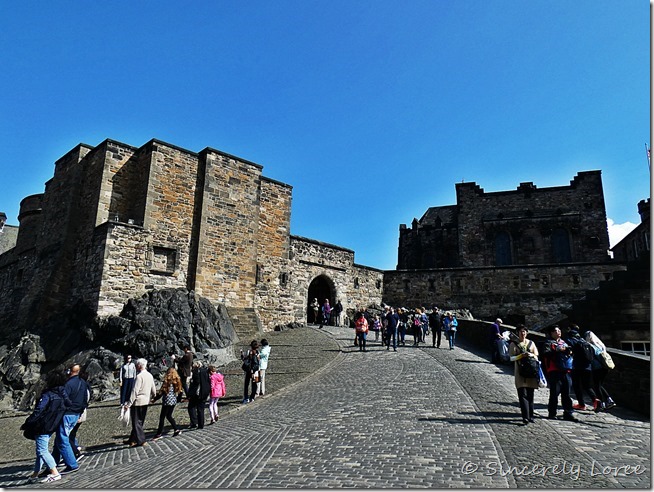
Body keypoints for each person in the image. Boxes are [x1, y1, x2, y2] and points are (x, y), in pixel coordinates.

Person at [23, 370, 71, 483]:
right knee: (40, 449)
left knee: (42, 450)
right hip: (52, 425)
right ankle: (35, 474)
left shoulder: (47, 395)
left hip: (42, 426)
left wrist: (28, 422)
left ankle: (54, 472)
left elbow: (39, 411)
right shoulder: (62, 396)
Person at [54, 364, 90, 474]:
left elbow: (63, 399)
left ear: (70, 371)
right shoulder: (83, 383)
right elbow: (86, 399)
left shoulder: (68, 384)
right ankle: (52, 464)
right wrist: (80, 412)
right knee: (61, 439)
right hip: (76, 413)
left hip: (68, 413)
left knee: (62, 438)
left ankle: (71, 463)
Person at [542, 326, 577, 422]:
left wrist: (568, 351)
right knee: (554, 393)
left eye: (559, 330)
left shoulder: (564, 343)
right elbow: (545, 354)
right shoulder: (548, 343)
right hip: (554, 371)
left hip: (566, 371)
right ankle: (552, 413)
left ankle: (568, 413)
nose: (558, 332)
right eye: (556, 331)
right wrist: (557, 350)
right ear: (551, 333)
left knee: (567, 394)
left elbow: (571, 353)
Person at [509, 325, 540, 424]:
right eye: (521, 331)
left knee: (530, 395)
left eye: (524, 332)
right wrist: (521, 356)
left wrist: (531, 355)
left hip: (531, 372)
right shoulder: (514, 344)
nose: (523, 333)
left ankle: (531, 416)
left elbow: (536, 356)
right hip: (520, 373)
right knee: (523, 395)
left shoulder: (531, 343)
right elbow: (511, 358)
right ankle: (525, 417)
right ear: (517, 333)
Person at [566, 325, 600, 411]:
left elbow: (568, 350)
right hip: (588, 366)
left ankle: (581, 404)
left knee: (576, 385)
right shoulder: (583, 341)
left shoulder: (570, 340)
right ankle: (595, 400)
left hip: (577, 366)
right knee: (587, 386)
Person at [124, 358, 157, 447]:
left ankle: (141, 440)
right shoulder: (149, 375)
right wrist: (154, 397)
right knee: (140, 421)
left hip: (138, 402)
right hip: (146, 401)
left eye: (136, 365)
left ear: (139, 365)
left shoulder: (139, 377)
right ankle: (132, 439)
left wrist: (129, 404)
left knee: (136, 422)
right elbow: (153, 388)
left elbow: (135, 391)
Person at [585, 330, 617, 412]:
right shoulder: (601, 345)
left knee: (597, 386)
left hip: (597, 368)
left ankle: (602, 403)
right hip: (605, 367)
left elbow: (590, 357)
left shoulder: (591, 346)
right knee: (599, 385)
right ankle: (609, 400)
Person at [153, 367, 183, 438]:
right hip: (173, 400)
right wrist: (178, 399)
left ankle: (159, 433)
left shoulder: (167, 381)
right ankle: (176, 429)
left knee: (162, 417)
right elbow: (180, 391)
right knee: (169, 415)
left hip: (167, 401)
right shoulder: (177, 380)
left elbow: (161, 392)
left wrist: (155, 399)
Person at [187, 361, 211, 429]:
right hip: (204, 392)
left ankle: (194, 422)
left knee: (191, 407)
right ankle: (201, 424)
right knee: (201, 409)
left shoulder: (196, 372)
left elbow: (196, 383)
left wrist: (189, 393)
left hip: (198, 393)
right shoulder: (205, 371)